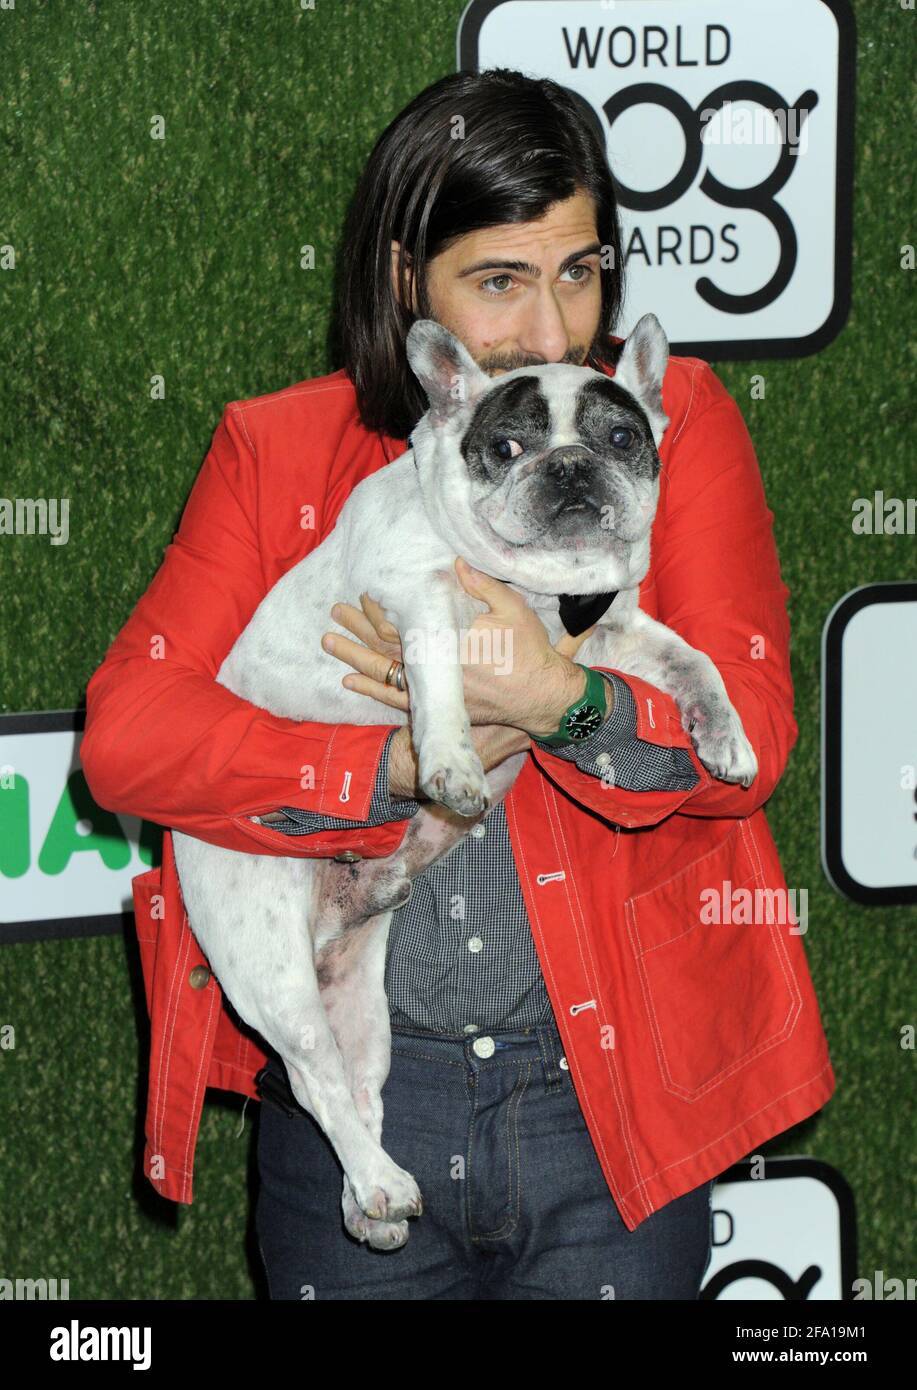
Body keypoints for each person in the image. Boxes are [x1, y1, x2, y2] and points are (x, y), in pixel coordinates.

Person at [81, 68, 835, 1301]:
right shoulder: (276, 451)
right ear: (403, 284)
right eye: (499, 280)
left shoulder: (666, 423)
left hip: (605, 1095)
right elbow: (130, 739)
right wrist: (373, 769)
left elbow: (743, 740)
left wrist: (557, 701)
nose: (549, 332)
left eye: (579, 272)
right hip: (366, 1091)